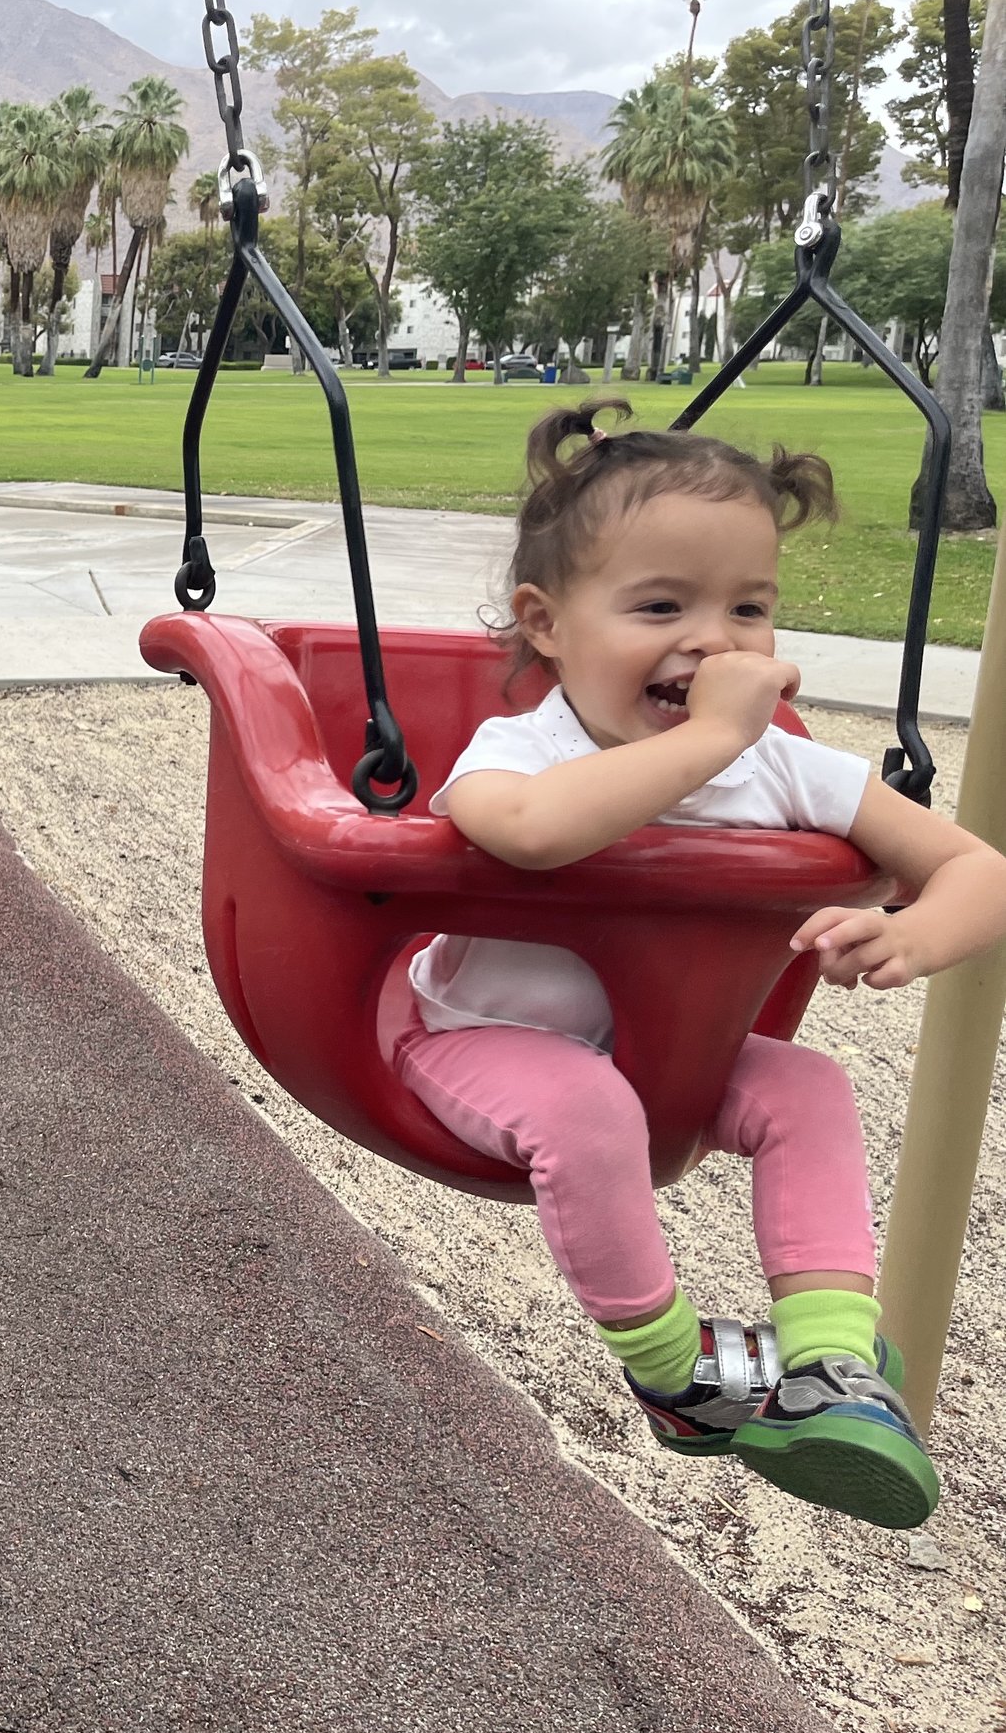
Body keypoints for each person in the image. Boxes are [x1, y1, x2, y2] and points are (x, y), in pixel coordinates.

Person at [400, 401, 1006, 1530]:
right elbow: (528, 831)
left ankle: (830, 1368)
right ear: (545, 623)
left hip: (671, 1058)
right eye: (661, 605)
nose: (715, 641)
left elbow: (981, 871)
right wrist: (711, 740)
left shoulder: (786, 769)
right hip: (485, 1043)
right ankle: (674, 1375)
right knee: (583, 1107)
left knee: (807, 1085)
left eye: (749, 609)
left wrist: (912, 936)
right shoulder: (528, 747)